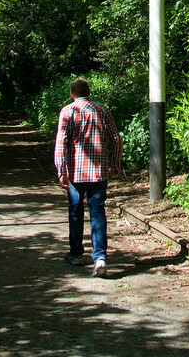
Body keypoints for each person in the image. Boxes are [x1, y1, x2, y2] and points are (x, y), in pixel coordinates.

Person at [54, 77, 123, 277]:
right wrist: (115, 162)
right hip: (99, 172)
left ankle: (76, 254)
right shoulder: (102, 110)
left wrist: (61, 170)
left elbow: (61, 142)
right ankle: (100, 257)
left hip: (75, 172)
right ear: (89, 92)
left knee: (75, 212)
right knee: (98, 212)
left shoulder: (67, 111)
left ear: (71, 93)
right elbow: (116, 138)